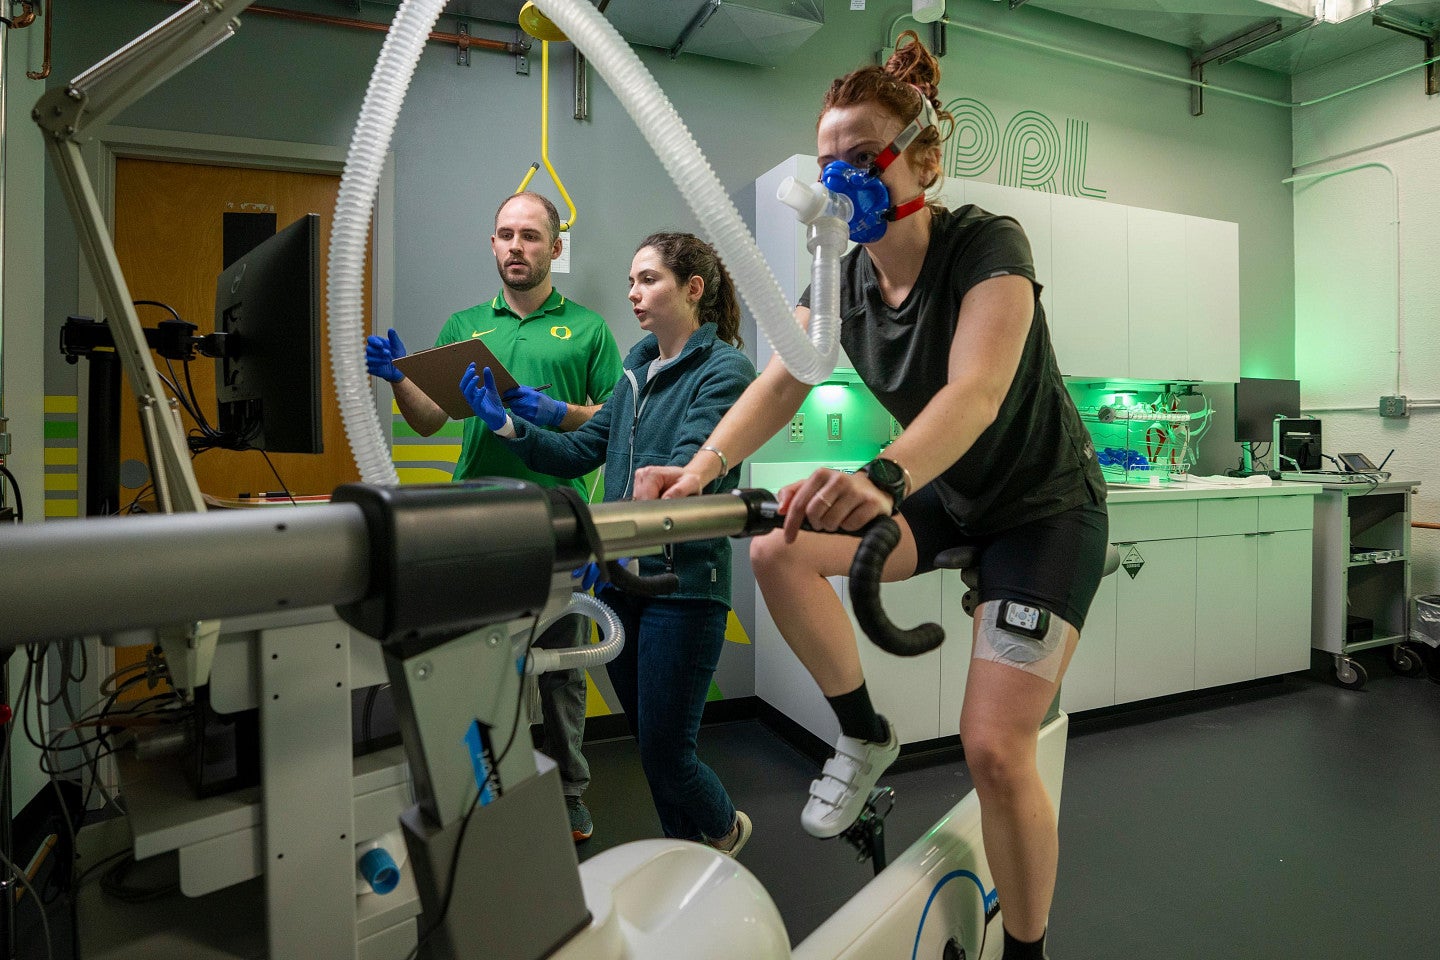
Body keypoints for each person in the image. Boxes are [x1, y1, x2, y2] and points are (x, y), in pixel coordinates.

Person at [631, 32, 1108, 960]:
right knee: (778, 546)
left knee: (994, 750)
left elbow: (975, 393)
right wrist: (702, 469)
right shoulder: (843, 278)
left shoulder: (985, 246)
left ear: (922, 161)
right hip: (949, 498)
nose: (841, 180)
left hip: (1044, 511)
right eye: (828, 166)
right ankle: (863, 733)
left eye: (862, 157)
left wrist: (881, 476)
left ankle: (1027, 951)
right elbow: (783, 379)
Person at [461, 231, 757, 856]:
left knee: (671, 754)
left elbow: (687, 466)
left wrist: (619, 536)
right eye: (630, 281)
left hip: (683, 586)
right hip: (624, 587)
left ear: (693, 289)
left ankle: (725, 830)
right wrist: (506, 423)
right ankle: (688, 857)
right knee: (651, 747)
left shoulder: (724, 371)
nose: (633, 293)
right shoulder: (634, 371)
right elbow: (577, 451)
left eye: (648, 279)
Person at [365, 191, 624, 844]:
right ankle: (478, 788)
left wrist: (555, 412)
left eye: (530, 236)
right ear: (492, 244)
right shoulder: (464, 326)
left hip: (557, 518)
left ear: (554, 248)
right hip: (474, 519)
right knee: (472, 661)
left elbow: (614, 420)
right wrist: (398, 379)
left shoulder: (588, 329)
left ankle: (569, 793)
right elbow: (429, 420)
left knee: (562, 669)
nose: (516, 246)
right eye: (506, 234)